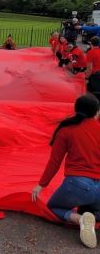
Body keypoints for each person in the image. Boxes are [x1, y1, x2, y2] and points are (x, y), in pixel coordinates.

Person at [31, 94, 100, 248]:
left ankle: (79, 220)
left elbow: (54, 162)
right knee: (92, 210)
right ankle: (92, 217)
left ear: (76, 110)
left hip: (78, 185)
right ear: (96, 113)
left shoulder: (66, 130)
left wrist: (40, 185)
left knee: (53, 208)